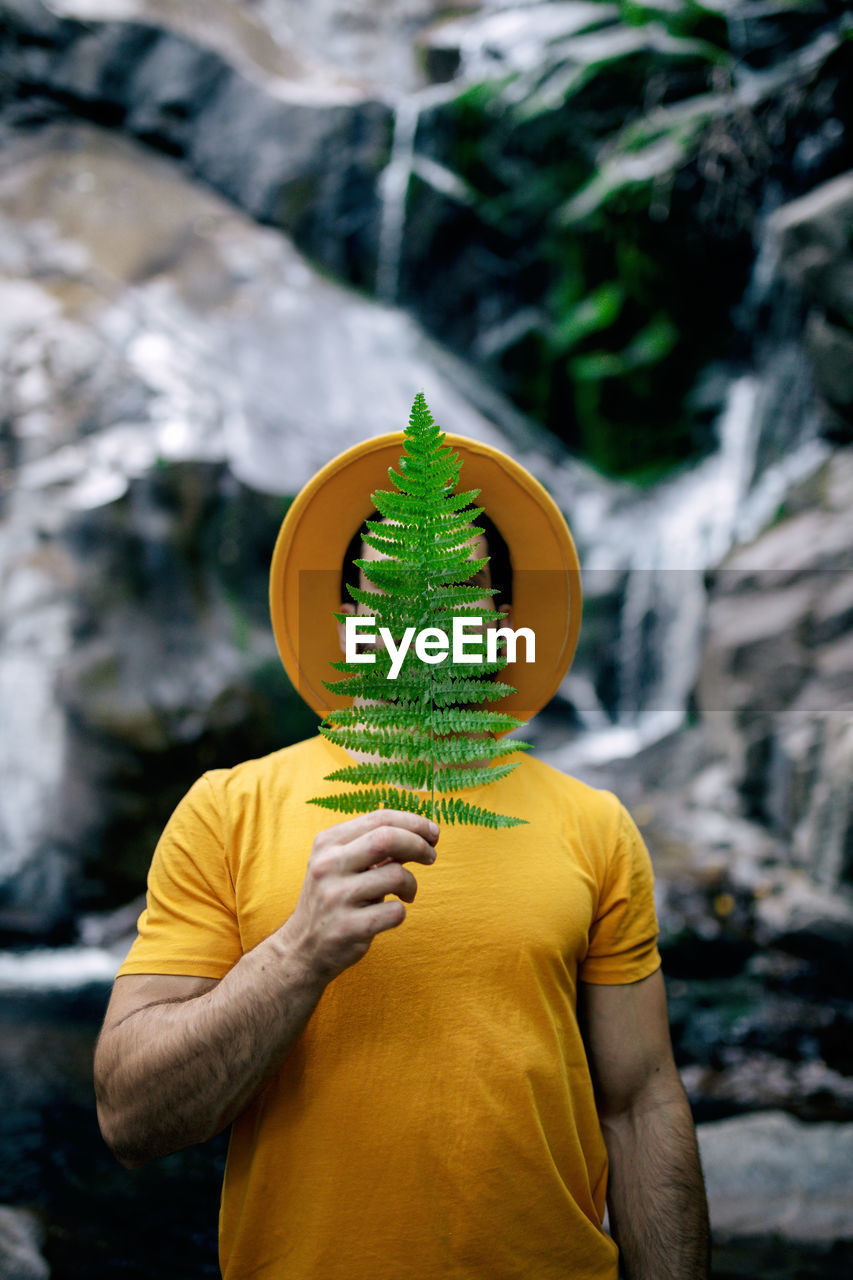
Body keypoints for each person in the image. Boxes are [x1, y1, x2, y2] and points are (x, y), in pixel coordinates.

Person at [94, 431, 710, 1280]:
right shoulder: (228, 810)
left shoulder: (594, 824)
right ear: (350, 621)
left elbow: (641, 1105)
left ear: (496, 623)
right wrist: (297, 955)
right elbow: (129, 1116)